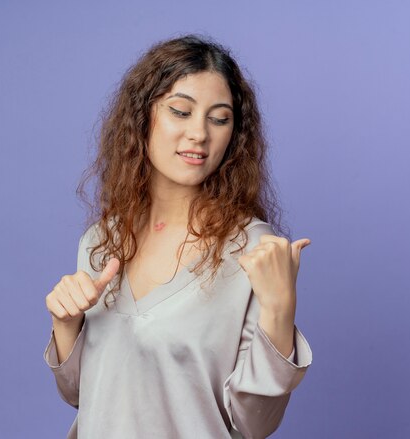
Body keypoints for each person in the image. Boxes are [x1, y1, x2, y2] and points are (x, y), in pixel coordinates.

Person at [43, 33, 313, 439]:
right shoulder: (102, 241)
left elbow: (255, 425)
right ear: (141, 117)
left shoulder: (254, 251)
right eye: (181, 111)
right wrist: (66, 325)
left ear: (234, 135)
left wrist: (280, 312)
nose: (199, 134)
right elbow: (84, 395)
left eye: (219, 118)